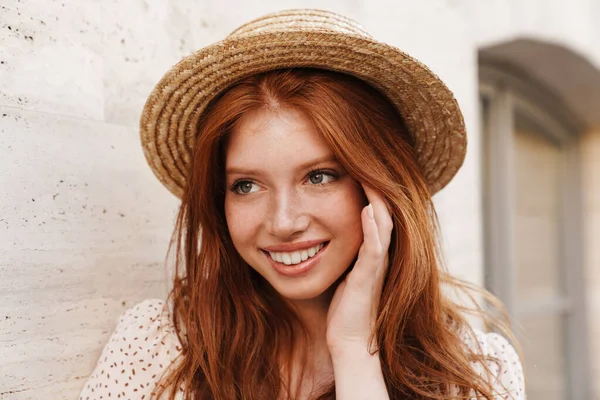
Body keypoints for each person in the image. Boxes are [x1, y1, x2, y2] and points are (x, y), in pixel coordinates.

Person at [79, 9, 525, 400]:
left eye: (319, 176)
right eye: (247, 186)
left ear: (380, 189)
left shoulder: (475, 373)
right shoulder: (159, 348)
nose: (284, 222)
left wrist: (354, 349)